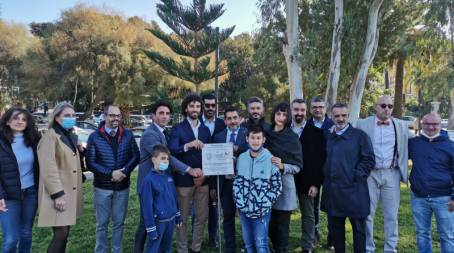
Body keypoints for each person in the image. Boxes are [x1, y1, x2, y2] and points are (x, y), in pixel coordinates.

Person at [134, 100, 202, 253]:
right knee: (146, 222)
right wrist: (189, 169)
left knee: (155, 222)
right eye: (161, 113)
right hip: (149, 186)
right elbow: (166, 157)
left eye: (167, 114)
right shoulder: (150, 134)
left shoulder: (164, 132)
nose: (165, 117)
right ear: (153, 116)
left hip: (163, 184)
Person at [356, 95, 410, 253]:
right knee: (367, 214)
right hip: (370, 174)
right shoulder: (362, 124)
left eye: (390, 106)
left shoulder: (400, 125)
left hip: (391, 173)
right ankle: (368, 247)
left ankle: (390, 248)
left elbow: (422, 135)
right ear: (376, 107)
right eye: (383, 105)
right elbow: (348, 132)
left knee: (391, 215)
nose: (387, 109)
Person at [321, 103, 375, 253]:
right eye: (337, 116)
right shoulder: (328, 136)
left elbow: (369, 159)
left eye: (344, 115)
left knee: (359, 231)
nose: (340, 119)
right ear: (331, 117)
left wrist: (356, 174)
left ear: (348, 116)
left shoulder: (360, 136)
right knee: (336, 232)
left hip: (355, 191)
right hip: (334, 192)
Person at [86, 104, 139, 253]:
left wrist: (125, 171)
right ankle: (101, 250)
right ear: (104, 116)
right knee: (101, 224)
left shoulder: (127, 134)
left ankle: (117, 250)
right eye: (112, 115)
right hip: (102, 187)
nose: (115, 118)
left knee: (119, 223)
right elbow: (90, 162)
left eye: (118, 116)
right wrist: (111, 173)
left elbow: (136, 155)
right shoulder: (94, 137)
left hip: (122, 186)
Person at [36, 102, 84, 253]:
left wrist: (81, 150)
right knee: (61, 234)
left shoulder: (69, 136)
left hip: (69, 193)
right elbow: (48, 167)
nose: (71, 118)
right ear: (57, 118)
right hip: (58, 194)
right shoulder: (50, 137)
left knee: (65, 234)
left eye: (73, 115)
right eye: (66, 115)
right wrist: (57, 195)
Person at [168, 94, 211, 253]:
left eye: (198, 106)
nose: (195, 109)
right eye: (192, 106)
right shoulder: (177, 128)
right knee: (183, 218)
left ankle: (196, 247)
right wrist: (188, 145)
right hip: (184, 180)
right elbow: (172, 150)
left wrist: (205, 175)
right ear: (186, 108)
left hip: (203, 180)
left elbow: (210, 155)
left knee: (201, 217)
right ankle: (182, 249)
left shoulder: (205, 130)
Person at [409, 113, 454, 253]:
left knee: (447, 235)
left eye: (435, 124)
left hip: (444, 198)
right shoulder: (414, 143)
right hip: (419, 197)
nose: (431, 127)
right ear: (422, 124)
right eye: (427, 124)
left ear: (441, 125)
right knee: (422, 233)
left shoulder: (450, 146)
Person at [233, 125, 282, 253]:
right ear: (247, 139)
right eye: (252, 138)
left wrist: (265, 203)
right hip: (244, 209)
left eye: (258, 138)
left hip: (262, 211)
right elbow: (237, 181)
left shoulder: (271, 159)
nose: (255, 141)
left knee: (260, 244)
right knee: (248, 244)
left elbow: (277, 186)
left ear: (263, 140)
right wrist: (239, 202)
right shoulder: (242, 158)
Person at [0, 108, 40, 253]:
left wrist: (75, 143)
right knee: (11, 239)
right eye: (16, 118)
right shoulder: (1, 141)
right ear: (7, 120)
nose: (20, 122)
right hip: (8, 196)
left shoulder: (34, 139)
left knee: (26, 233)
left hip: (30, 193)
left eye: (24, 119)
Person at [265, 102, 303, 253]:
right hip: (264, 185)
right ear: (273, 114)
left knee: (282, 224)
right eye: (278, 114)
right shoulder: (265, 134)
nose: (280, 117)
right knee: (269, 223)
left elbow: (298, 165)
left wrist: (283, 166)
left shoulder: (292, 137)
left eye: (284, 115)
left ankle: (281, 249)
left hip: (284, 186)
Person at [210, 106, 248, 253]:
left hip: (244, 183)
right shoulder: (218, 137)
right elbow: (212, 163)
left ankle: (247, 244)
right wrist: (213, 185)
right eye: (229, 118)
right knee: (228, 216)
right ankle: (230, 247)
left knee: (245, 215)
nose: (232, 121)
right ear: (225, 121)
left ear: (239, 119)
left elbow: (253, 152)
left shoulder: (247, 134)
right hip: (225, 183)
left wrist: (237, 149)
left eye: (235, 118)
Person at [290, 99, 326, 253]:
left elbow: (320, 162)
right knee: (281, 213)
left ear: (306, 112)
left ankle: (307, 245)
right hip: (287, 179)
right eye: (296, 110)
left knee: (308, 215)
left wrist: (316, 184)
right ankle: (280, 243)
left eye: (302, 110)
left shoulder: (317, 133)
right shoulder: (283, 129)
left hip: (308, 181)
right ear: (291, 111)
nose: (299, 113)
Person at [139, 145, 182, 253]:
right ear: (153, 160)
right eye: (162, 158)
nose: (166, 161)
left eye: (167, 158)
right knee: (153, 249)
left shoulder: (168, 176)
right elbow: (147, 207)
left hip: (171, 220)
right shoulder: (148, 180)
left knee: (167, 249)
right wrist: (151, 228)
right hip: (158, 222)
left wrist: (177, 216)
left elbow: (173, 197)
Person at [306, 96, 334, 246]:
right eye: (315, 107)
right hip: (312, 171)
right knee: (313, 204)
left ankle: (332, 237)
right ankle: (314, 233)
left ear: (325, 108)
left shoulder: (332, 124)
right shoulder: (306, 125)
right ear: (311, 109)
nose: (317, 109)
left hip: (330, 170)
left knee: (331, 204)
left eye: (320, 107)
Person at [200, 93, 226, 248]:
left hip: (218, 171)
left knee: (215, 206)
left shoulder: (222, 124)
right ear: (203, 106)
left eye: (213, 105)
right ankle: (198, 236)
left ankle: (213, 237)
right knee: (200, 209)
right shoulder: (197, 124)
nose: (210, 108)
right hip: (200, 171)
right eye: (207, 105)